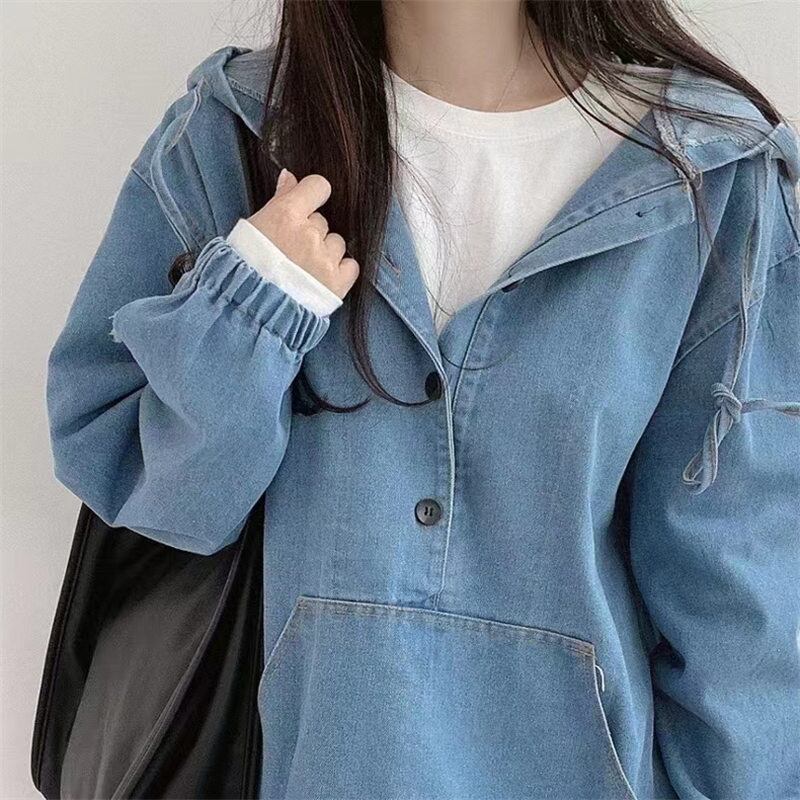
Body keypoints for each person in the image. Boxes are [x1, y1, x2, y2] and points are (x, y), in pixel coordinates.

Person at [45, 2, 800, 798]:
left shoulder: (711, 173)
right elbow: (161, 499)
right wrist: (254, 298)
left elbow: (740, 598)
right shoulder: (235, 134)